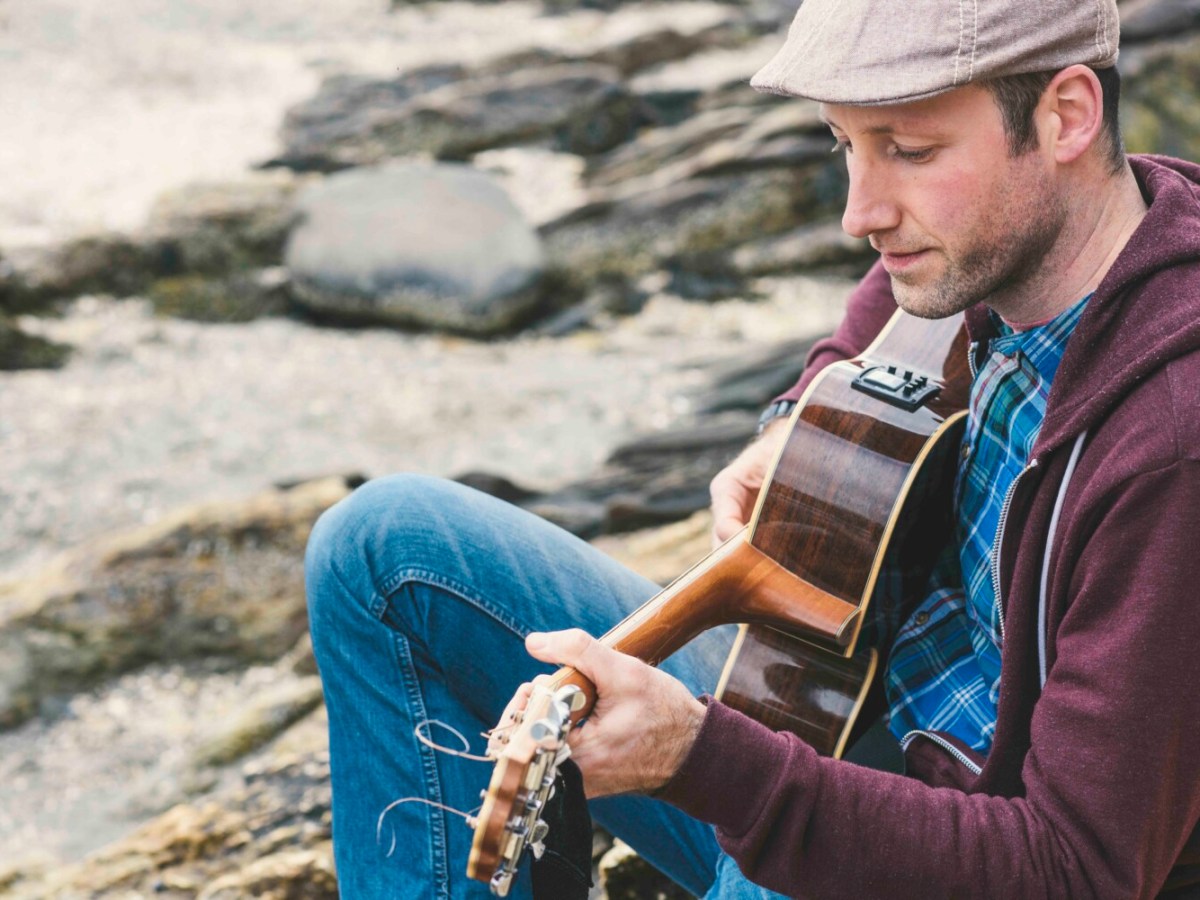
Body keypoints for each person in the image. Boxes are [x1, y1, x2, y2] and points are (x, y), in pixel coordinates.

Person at [305, 0, 1200, 895]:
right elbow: (887, 314)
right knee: (381, 548)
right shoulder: (1010, 240)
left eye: (910, 150)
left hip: (958, 843)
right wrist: (793, 425)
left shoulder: (1170, 449)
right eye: (844, 145)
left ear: (1066, 116)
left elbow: (1071, 868)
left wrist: (702, 759)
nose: (860, 212)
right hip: (845, 701)